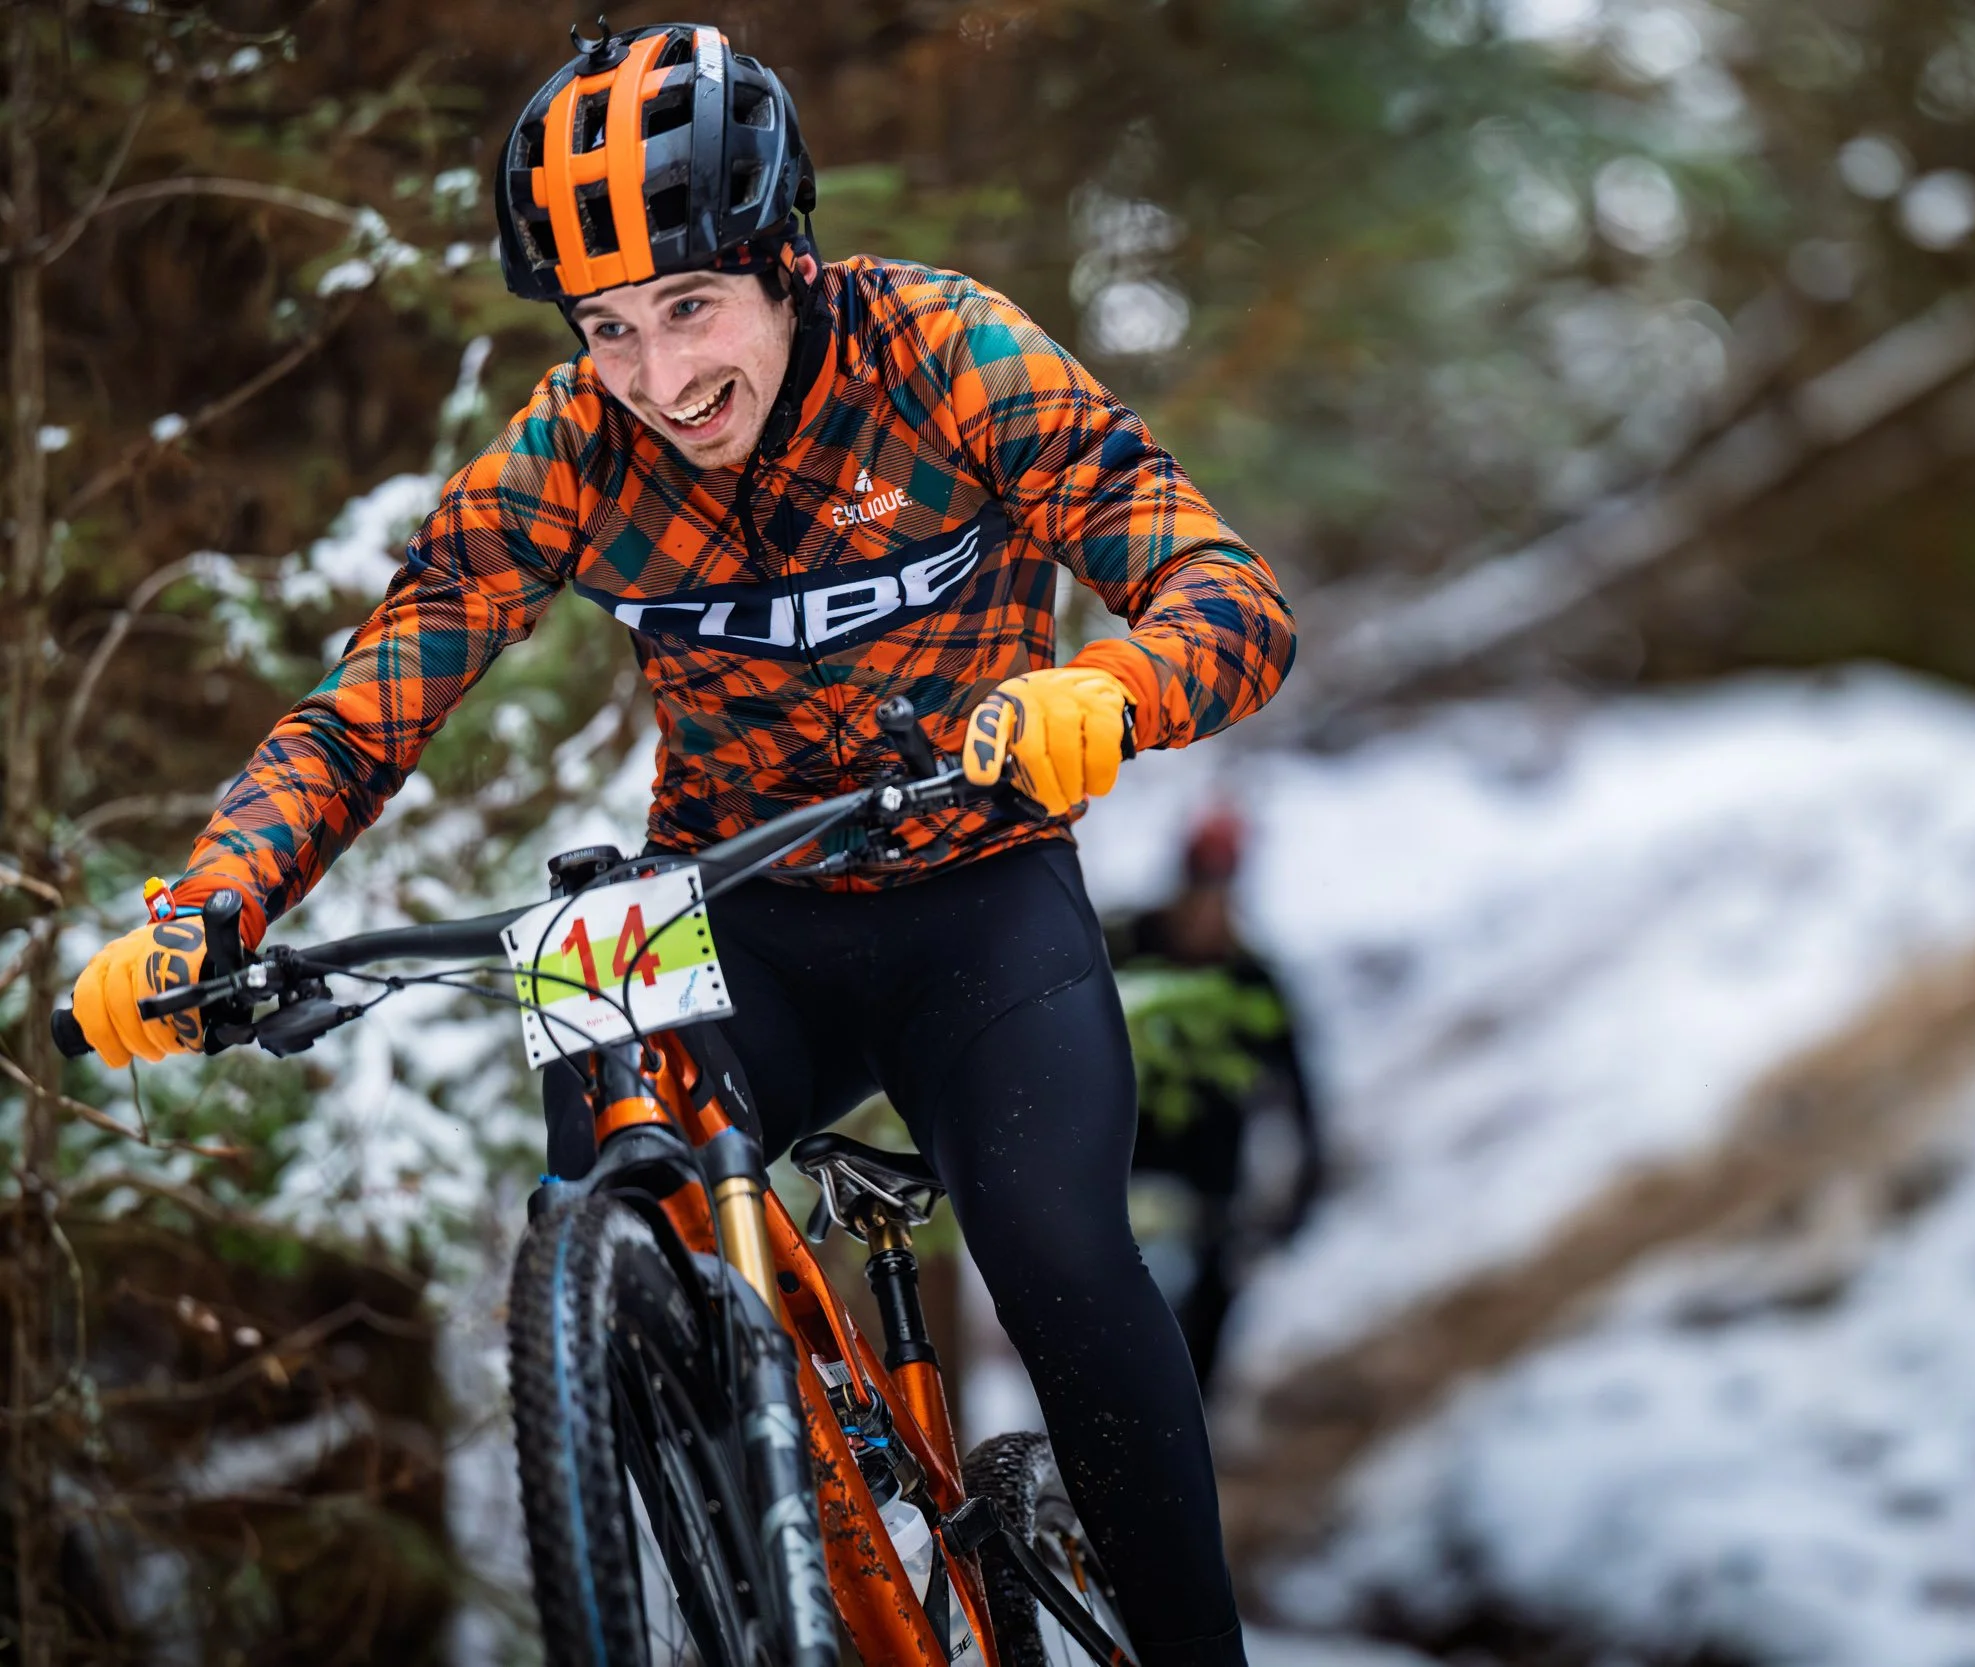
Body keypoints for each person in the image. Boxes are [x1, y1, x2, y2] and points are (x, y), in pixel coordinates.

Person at [65, 22, 1293, 1667]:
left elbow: (1232, 598)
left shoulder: (947, 352)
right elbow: (378, 694)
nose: (658, 376)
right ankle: (761, 1586)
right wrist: (212, 903)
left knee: (1064, 1260)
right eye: (607, 330)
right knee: (586, 1202)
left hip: (973, 888)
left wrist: (1112, 688)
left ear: (784, 263)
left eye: (690, 307)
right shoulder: (575, 447)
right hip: (720, 889)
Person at [1110, 806, 1323, 1388]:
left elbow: (1299, 1093)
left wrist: (1304, 1188)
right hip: (1121, 1179)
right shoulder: (1123, 949)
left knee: (1203, 1330)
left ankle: (1184, 1446)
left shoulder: (1252, 979)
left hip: (1211, 1192)